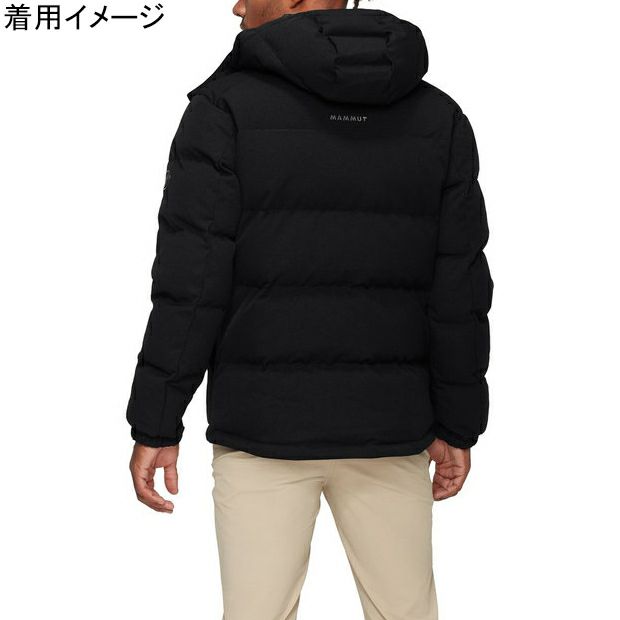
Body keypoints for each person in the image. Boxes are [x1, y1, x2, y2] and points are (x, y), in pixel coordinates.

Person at [127, 1, 493, 618]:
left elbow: (191, 282)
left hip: (263, 428)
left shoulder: (224, 108)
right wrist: (457, 424)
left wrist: (157, 422)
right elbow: (458, 288)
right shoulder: (438, 116)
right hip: (390, 426)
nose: (237, 5)